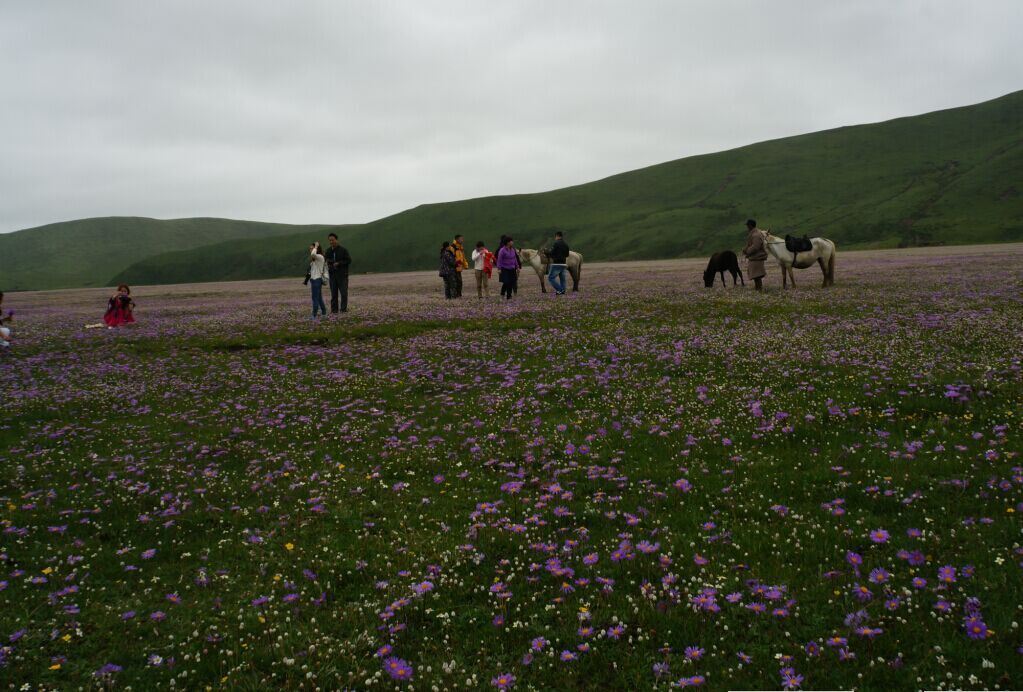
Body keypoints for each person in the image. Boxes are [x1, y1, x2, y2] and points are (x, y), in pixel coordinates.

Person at [324, 232, 352, 314]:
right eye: (330, 240)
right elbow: (326, 260)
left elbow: (348, 260)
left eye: (333, 240)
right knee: (334, 294)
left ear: (336, 240)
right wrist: (330, 263)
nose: (331, 242)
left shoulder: (343, 250)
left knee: (343, 293)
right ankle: (334, 311)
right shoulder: (328, 251)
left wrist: (339, 263)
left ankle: (343, 310)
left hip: (342, 275)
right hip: (332, 275)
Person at [742, 219, 768, 291]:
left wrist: (747, 251)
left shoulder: (756, 235)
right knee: (756, 275)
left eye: (747, 225)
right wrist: (745, 249)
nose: (747, 227)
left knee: (757, 275)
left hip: (757, 257)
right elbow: (750, 244)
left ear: (750, 226)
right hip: (755, 257)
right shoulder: (754, 233)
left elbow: (755, 247)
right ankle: (758, 289)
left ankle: (759, 289)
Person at [308, 242, 329, 319]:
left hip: (317, 279)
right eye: (310, 249)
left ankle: (314, 315)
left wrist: (315, 246)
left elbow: (313, 254)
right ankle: (324, 313)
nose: (310, 250)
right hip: (314, 280)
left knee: (315, 298)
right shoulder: (315, 259)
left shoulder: (320, 256)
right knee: (319, 297)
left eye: (311, 248)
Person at [547, 231, 570, 295]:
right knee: (562, 279)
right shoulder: (566, 244)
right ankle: (563, 291)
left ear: (557, 236)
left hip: (556, 264)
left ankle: (560, 290)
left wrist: (547, 253)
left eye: (555, 237)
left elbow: (552, 253)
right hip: (564, 264)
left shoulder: (556, 243)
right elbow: (567, 255)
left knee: (550, 278)